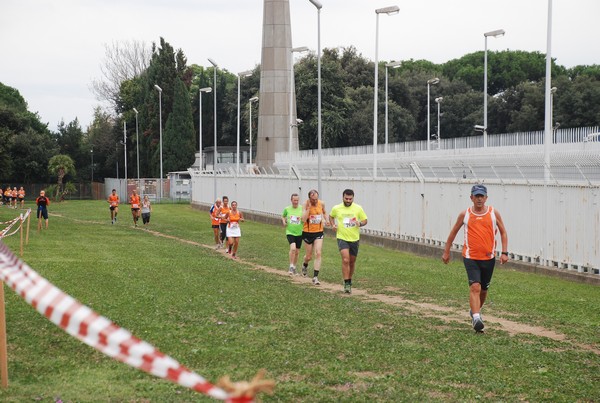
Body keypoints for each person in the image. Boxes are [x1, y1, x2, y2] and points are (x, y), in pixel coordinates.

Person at [442, 184, 509, 333]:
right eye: (476, 196)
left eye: (481, 196)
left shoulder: (493, 213)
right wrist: (446, 251)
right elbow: (453, 233)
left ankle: (475, 311)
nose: (479, 199)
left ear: (486, 198)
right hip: (470, 257)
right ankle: (477, 318)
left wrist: (505, 252)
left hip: (488, 258)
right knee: (475, 287)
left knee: (484, 290)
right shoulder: (465, 214)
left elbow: (503, 232)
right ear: (471, 198)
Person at [329, 189, 368, 294]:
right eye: (346, 198)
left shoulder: (358, 208)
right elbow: (331, 216)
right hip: (342, 237)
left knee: (352, 261)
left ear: (353, 198)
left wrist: (360, 223)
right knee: (345, 260)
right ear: (343, 197)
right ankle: (346, 283)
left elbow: (365, 220)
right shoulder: (336, 208)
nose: (348, 200)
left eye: (350, 199)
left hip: (354, 238)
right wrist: (333, 225)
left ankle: (349, 280)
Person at [300, 189, 328, 282]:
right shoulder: (305, 204)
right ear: (309, 198)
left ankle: (315, 277)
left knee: (318, 253)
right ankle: (305, 265)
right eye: (313, 200)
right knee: (309, 256)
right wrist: (308, 209)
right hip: (308, 232)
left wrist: (326, 220)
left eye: (316, 199)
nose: (315, 201)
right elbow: (303, 219)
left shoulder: (321, 203)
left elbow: (324, 212)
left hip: (319, 232)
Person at [281, 193, 304, 279]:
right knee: (293, 248)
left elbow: (305, 218)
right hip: (290, 232)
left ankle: (294, 267)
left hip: (300, 233)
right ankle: (291, 266)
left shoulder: (302, 208)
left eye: (297, 200)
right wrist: (284, 221)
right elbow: (283, 216)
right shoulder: (287, 209)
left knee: (297, 252)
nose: (296, 202)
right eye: (294, 200)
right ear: (291, 200)